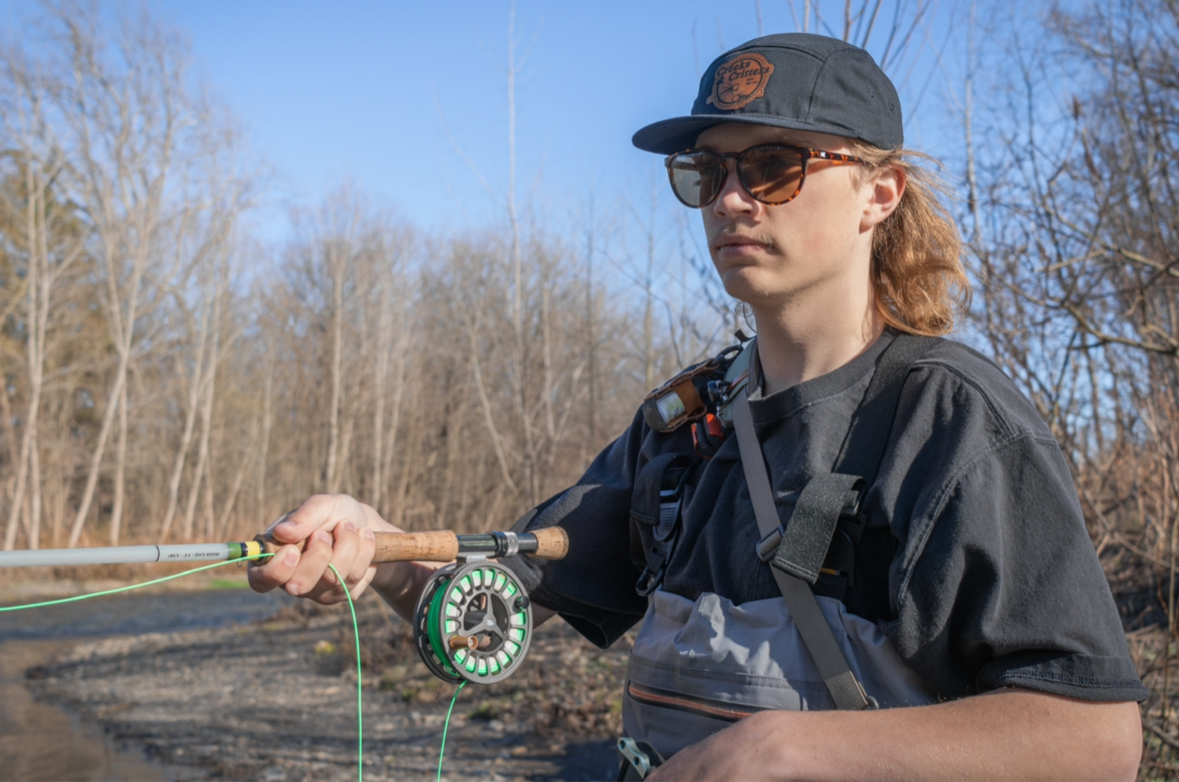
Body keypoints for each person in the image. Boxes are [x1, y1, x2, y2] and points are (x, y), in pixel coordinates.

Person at [249, 33, 1146, 781]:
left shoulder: (952, 424)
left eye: (772, 166)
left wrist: (791, 746)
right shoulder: (682, 426)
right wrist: (378, 550)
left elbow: (1096, 740)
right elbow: (496, 612)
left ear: (880, 192)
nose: (728, 200)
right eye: (706, 170)